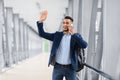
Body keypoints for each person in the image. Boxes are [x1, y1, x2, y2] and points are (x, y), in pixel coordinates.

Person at [36, 10, 87, 80]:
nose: (65, 24)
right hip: (58, 67)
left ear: (71, 24)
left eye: (67, 23)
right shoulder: (57, 35)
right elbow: (42, 34)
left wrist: (74, 34)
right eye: (63, 23)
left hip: (71, 68)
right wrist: (40, 22)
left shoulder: (76, 36)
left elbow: (84, 45)